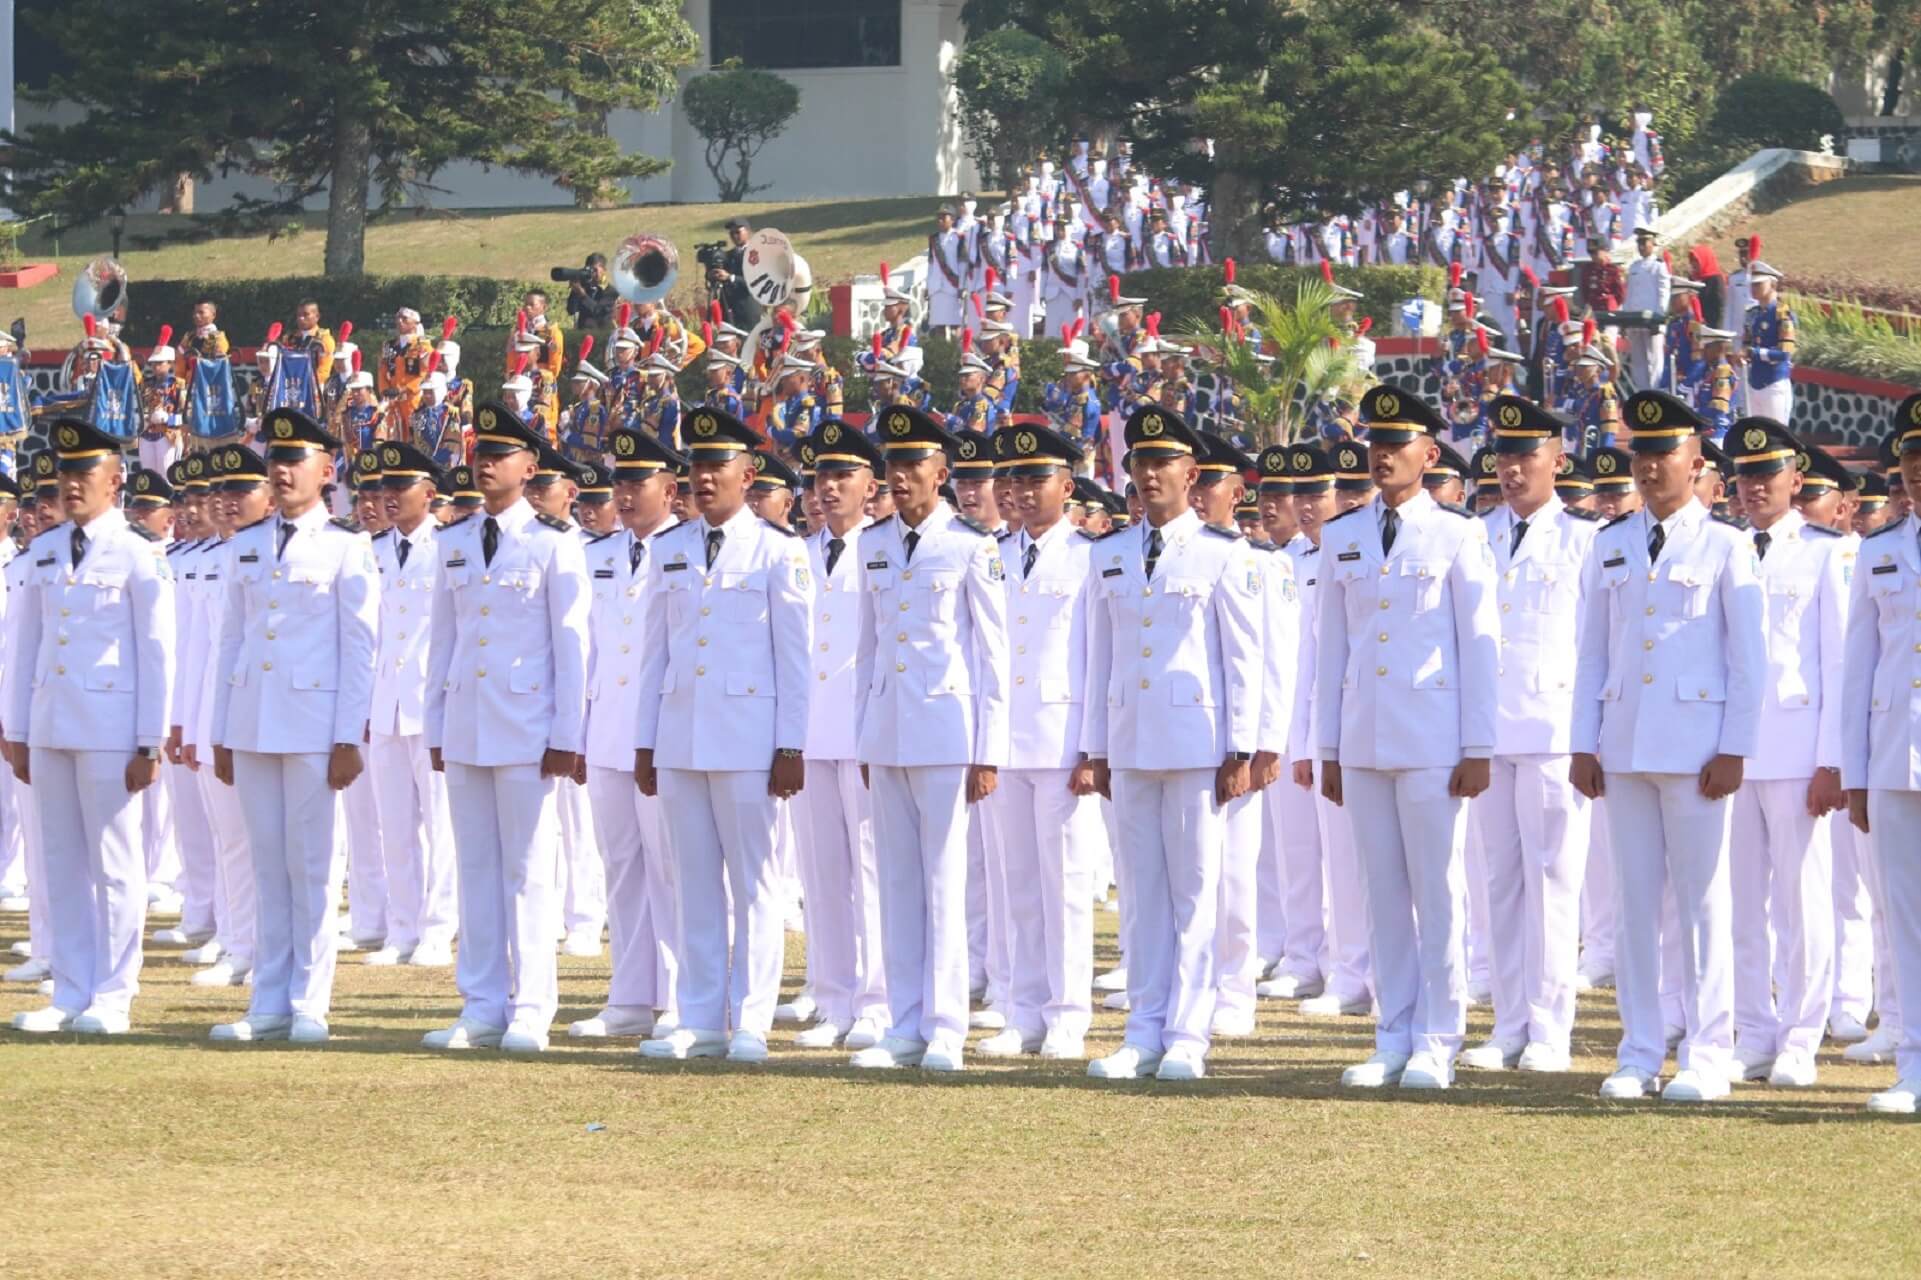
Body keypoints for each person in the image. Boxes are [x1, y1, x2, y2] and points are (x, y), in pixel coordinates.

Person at [1572, 389, 1766, 1103]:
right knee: (1632, 905)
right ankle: (1638, 1051)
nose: (1649, 468)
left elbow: (1748, 657)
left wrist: (1734, 745)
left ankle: (1707, 1053)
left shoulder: (1725, 545)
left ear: (1695, 463)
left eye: (1662, 455)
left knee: (1701, 906)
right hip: (1622, 745)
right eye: (1640, 455)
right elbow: (1590, 653)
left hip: (1695, 751)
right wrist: (1581, 741)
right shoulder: (1611, 542)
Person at [1317, 385, 1498, 1091]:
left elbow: (1478, 649)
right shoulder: (1342, 534)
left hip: (1432, 740)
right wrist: (1325, 748)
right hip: (1363, 738)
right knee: (1380, 893)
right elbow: (1330, 649)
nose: (1384, 456)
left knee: (1438, 891)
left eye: (1398, 446)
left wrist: (1478, 746)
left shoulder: (1458, 534)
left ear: (1429, 454)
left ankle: (1437, 1038)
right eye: (1375, 445)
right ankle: (1391, 1033)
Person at [1081, 405, 1263, 1082]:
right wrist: (1092, 747)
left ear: (1192, 473)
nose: (1151, 474)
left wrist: (1241, 749)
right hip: (1128, 741)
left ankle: (1188, 1033)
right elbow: (1094, 658)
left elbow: (1240, 657)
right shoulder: (1109, 553)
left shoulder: (1223, 554)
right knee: (1141, 896)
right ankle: (1142, 1030)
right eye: (1140, 463)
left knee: (1194, 894)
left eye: (1164, 463)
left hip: (1197, 743)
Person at [631, 406, 812, 1064]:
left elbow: (796, 658)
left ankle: (751, 1021)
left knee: (756, 885)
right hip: (681, 736)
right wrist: (645, 742)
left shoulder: (778, 550)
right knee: (694, 882)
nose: (704, 478)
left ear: (748, 473)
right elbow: (654, 652)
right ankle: (701, 1016)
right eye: (696, 467)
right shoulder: (668, 548)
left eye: (717, 467)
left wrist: (791, 745)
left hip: (749, 740)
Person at [422, 401, 590, 1055]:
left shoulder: (554, 544)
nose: (486, 463)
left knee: (529, 870)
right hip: (466, 722)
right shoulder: (454, 541)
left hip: (527, 727)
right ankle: (481, 1004)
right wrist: (436, 722)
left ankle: (531, 1008)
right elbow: (443, 640)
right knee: (477, 869)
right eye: (479, 453)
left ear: (530, 467)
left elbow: (571, 647)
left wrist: (565, 735)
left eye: (500, 454)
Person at [207, 407, 378, 1044]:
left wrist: (346, 736)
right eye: (274, 461)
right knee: (266, 865)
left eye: (293, 461)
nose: (280, 472)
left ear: (326, 472)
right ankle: (268, 999)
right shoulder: (246, 544)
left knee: (310, 867)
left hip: (312, 726)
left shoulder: (345, 546)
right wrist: (221, 729)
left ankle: (310, 1001)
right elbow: (231, 643)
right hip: (253, 722)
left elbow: (359, 647)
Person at [849, 405, 1009, 1073]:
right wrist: (863, 733)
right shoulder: (872, 543)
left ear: (941, 474)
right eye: (894, 466)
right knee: (896, 882)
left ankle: (945, 1025)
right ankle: (903, 1024)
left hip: (947, 730)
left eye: (914, 466)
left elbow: (993, 655)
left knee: (944, 882)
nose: (902, 477)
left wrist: (988, 749)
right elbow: (866, 646)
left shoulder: (971, 545)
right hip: (887, 731)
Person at [5, 420, 174, 1037]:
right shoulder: (45, 552)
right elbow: (24, 650)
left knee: (114, 864)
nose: (72, 486)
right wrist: (17, 730)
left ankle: (113, 993)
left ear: (115, 480)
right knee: (59, 863)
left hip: (110, 728)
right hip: (50, 726)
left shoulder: (137, 553)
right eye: (65, 475)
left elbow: (157, 651)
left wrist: (149, 740)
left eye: (85, 475)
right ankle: (69, 988)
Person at [1458, 395, 1598, 1075]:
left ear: (1556, 460)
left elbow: (1596, 645)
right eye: (1504, 456)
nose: (1512, 469)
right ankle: (1507, 1024)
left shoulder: (1585, 540)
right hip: (1484, 733)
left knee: (1553, 881)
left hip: (1551, 730)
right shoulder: (1469, 535)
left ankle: (1550, 1030)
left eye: (1527, 456)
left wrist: (1588, 738)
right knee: (1497, 883)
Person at [1722, 418, 1848, 1089]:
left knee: (1800, 901)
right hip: (1730, 754)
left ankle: (1800, 1036)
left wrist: (1831, 761)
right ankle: (1752, 1031)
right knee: (1740, 903)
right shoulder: (1723, 548)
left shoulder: (1826, 552)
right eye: (1744, 477)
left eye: (1766, 476)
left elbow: (1835, 661)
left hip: (1798, 751)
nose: (1753, 488)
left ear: (1794, 481)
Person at [985, 423, 1100, 1060]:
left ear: (1066, 485)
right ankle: (1022, 1012)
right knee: (1017, 886)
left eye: (1036, 479)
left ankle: (1067, 1016)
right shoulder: (991, 554)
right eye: (1014, 480)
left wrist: (1091, 748)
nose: (1023, 491)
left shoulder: (1089, 557)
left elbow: (1097, 657)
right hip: (1004, 744)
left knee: (1065, 887)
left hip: (1061, 742)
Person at [570, 425, 684, 1041]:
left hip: (664, 736)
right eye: (621, 482)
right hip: (609, 730)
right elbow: (587, 651)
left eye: (638, 482)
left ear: (670, 488)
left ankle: (677, 995)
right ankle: (630, 995)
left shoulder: (688, 549)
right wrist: (580, 734)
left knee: (671, 867)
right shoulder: (599, 556)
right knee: (621, 866)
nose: (626, 493)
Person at [784, 422, 889, 1050]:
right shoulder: (794, 554)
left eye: (841, 477)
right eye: (820, 477)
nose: (827, 489)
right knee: (821, 875)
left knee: (872, 873)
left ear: (869, 486)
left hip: (863, 732)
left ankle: (876, 1003)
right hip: (806, 734)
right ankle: (832, 998)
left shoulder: (883, 550)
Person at [1843, 394, 1921, 1113]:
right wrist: (1856, 775)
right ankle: (1914, 1066)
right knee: (1905, 916)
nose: (1918, 471)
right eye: (1909, 460)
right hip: (1898, 758)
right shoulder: (1879, 551)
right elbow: (1857, 669)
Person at [363, 441, 458, 970]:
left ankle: (438, 930)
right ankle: (402, 928)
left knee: (441, 826)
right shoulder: (372, 550)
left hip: (431, 702)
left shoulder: (447, 547)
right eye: (386, 489)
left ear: (430, 493)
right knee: (393, 824)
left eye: (402, 488)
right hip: (384, 703)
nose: (391, 497)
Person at [1741, 263, 1795, 426]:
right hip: (1753, 382)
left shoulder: (1782, 315)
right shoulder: (1752, 314)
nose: (1754, 288)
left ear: (1772, 284)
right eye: (1752, 284)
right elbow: (1747, 344)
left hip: (1773, 382)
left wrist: (1754, 353)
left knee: (1777, 436)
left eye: (1759, 284)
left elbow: (1784, 353)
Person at [564, 253, 618, 330]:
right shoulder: (584, 288)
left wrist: (583, 295)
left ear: (604, 270)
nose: (592, 274)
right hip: (583, 333)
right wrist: (575, 291)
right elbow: (571, 310)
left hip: (602, 334)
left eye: (595, 270)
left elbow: (599, 312)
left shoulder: (611, 291)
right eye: (590, 270)